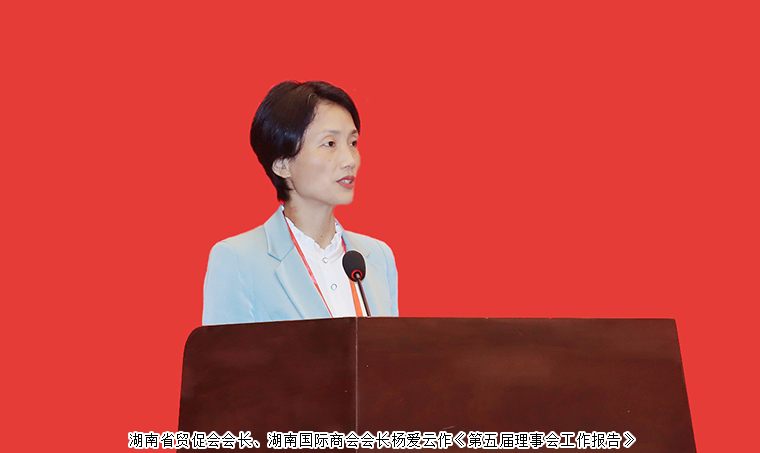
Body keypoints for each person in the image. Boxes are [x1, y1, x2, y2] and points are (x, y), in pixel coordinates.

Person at [202, 81, 398, 325]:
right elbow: (224, 351)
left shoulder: (377, 257)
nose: (350, 160)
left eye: (353, 143)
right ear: (282, 164)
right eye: (330, 144)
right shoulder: (239, 259)